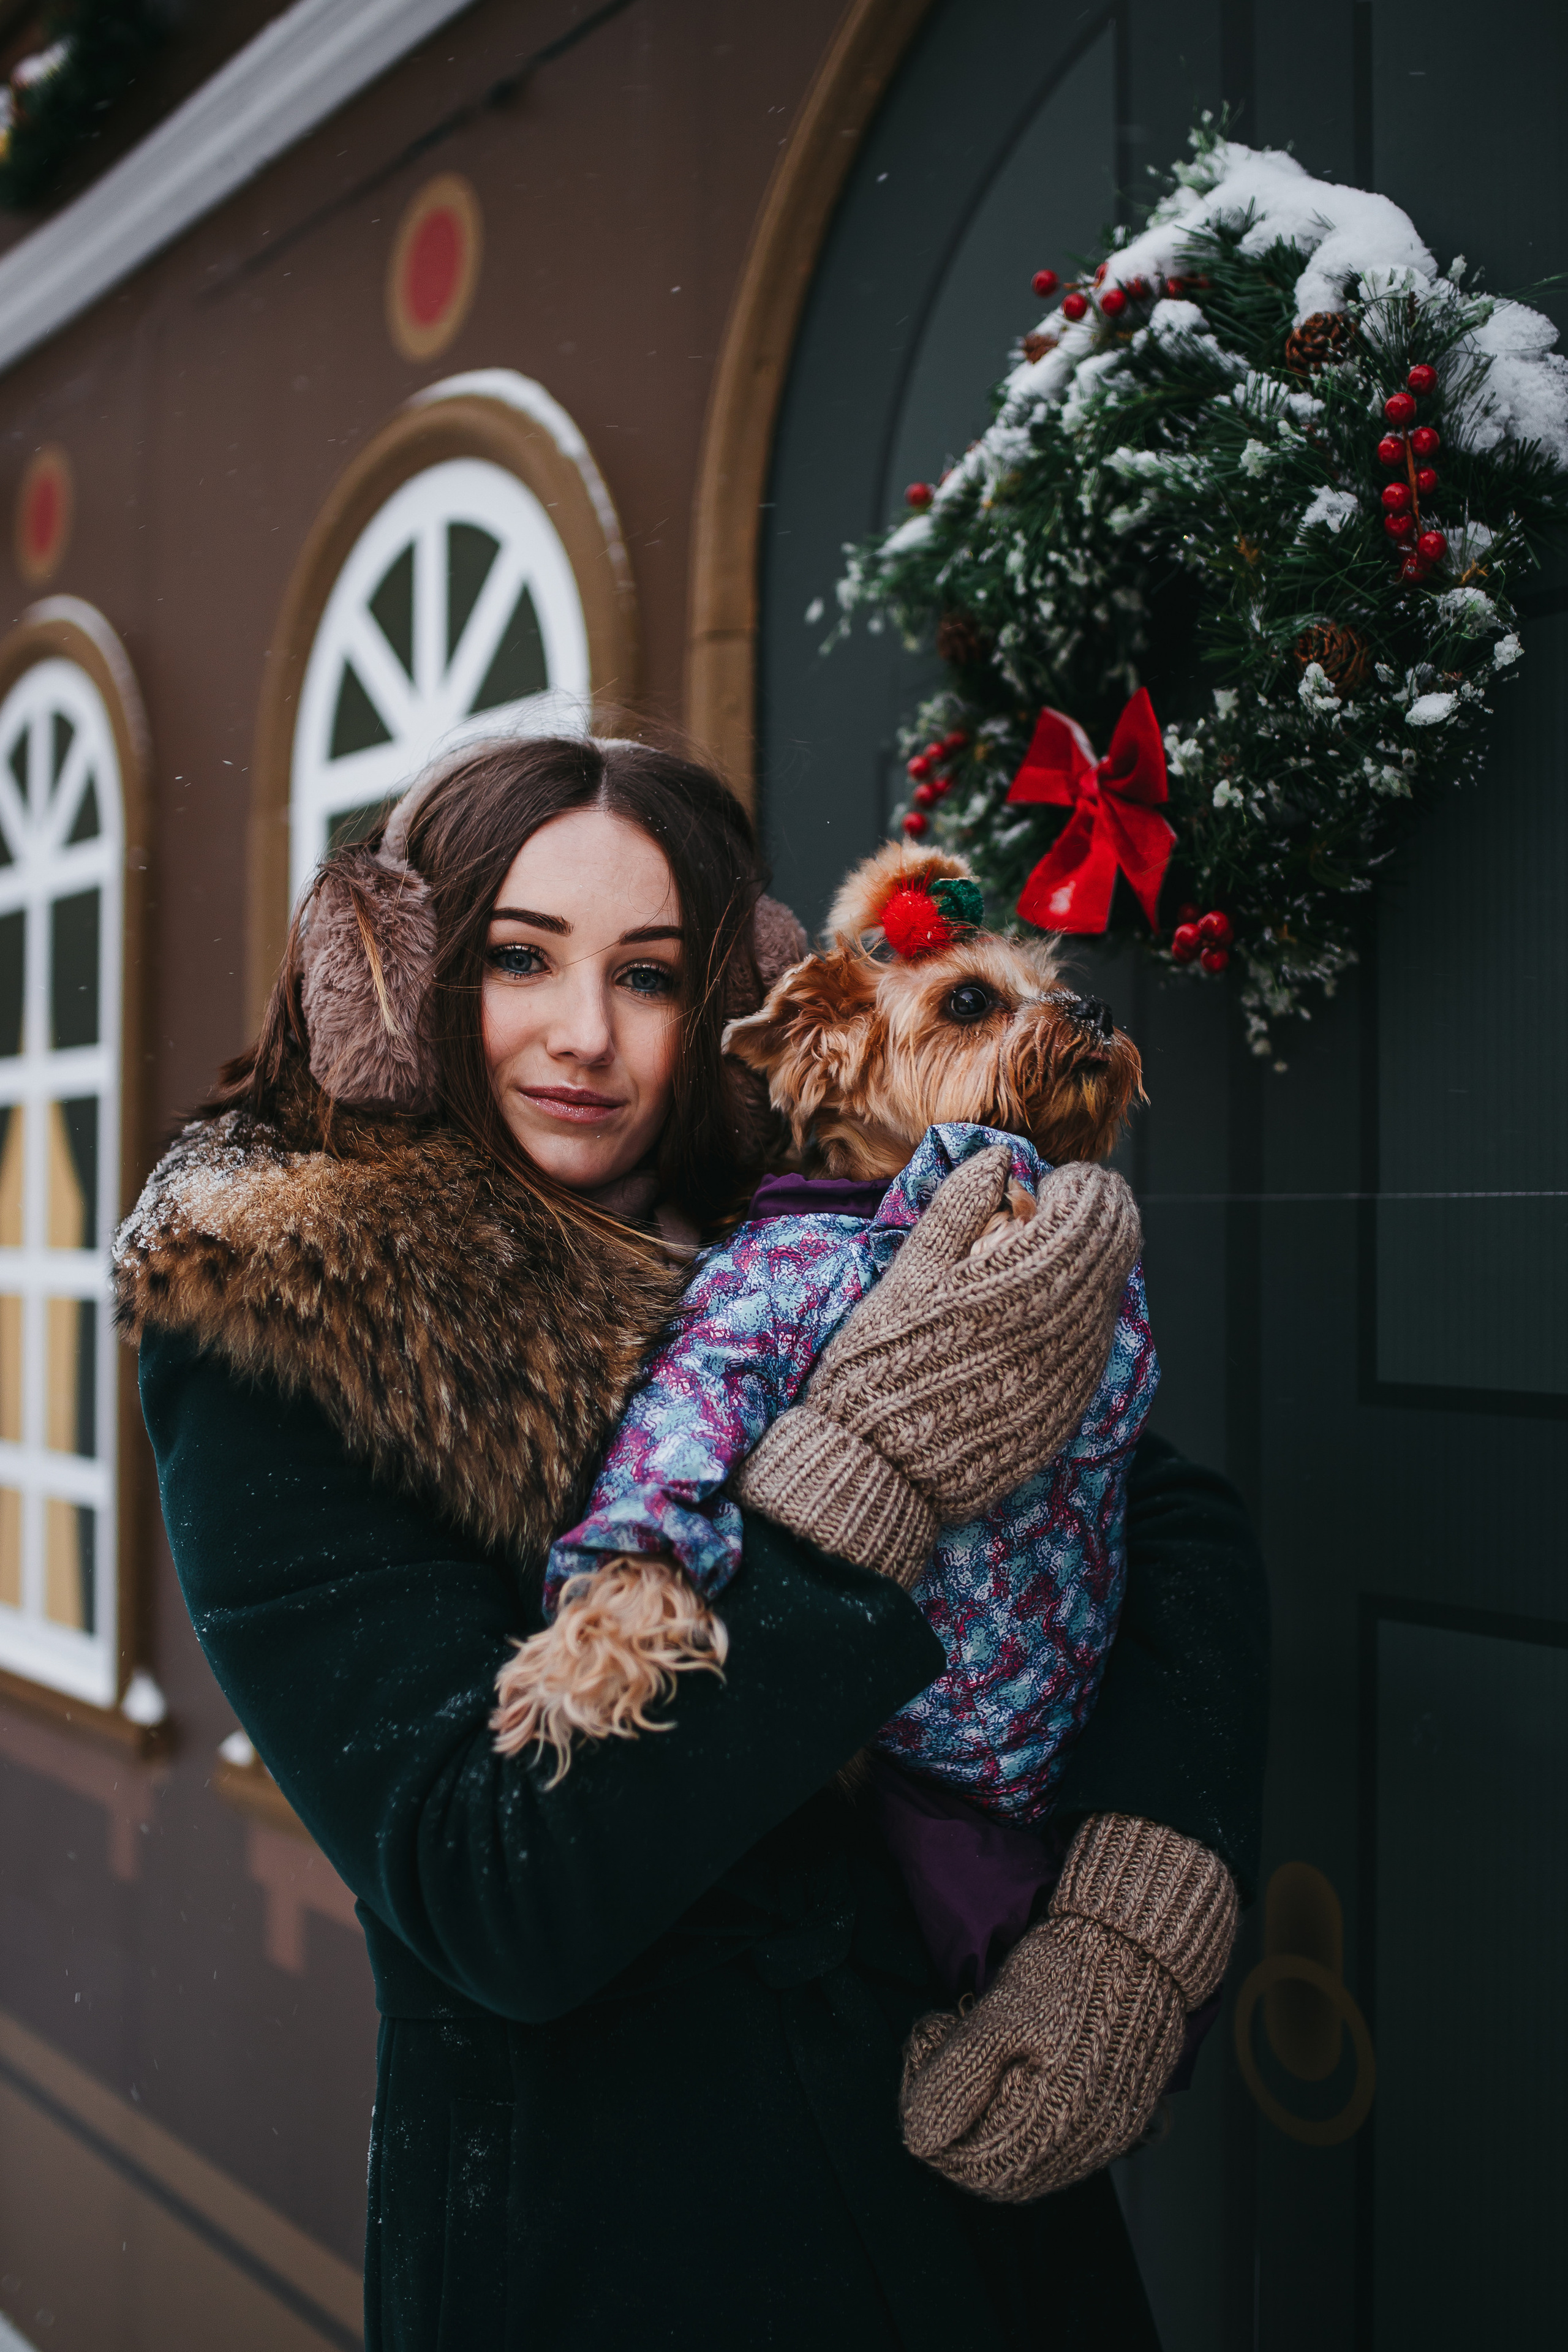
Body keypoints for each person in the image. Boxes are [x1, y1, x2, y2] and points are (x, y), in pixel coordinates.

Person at [117, 735, 1268, 2351]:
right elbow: (495, 1889)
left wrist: (1136, 1912)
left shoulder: (812, 1219)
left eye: (648, 975)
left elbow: (1172, 1518)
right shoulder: (287, 1324)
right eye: (521, 957)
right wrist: (859, 1492)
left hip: (968, 2185)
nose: (585, 1035)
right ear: (410, 973)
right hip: (630, 2235)